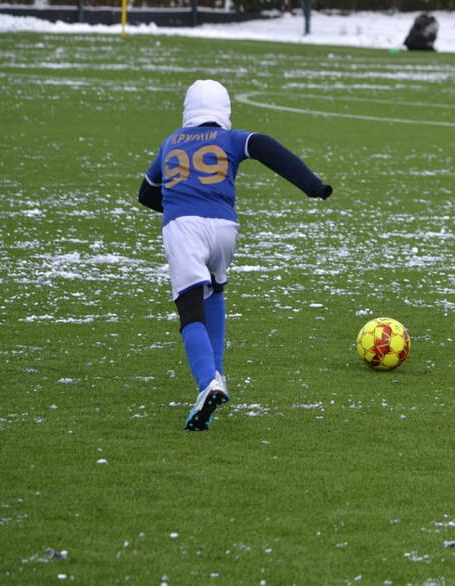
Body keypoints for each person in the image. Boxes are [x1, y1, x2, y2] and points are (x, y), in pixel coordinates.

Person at [138, 80, 333, 430]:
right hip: (225, 228)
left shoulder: (171, 143)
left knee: (190, 306)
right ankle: (216, 375)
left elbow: (146, 194)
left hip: (185, 227)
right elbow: (267, 148)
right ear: (223, 112)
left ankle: (207, 383)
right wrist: (313, 186)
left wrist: (180, 202)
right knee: (214, 293)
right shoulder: (231, 139)